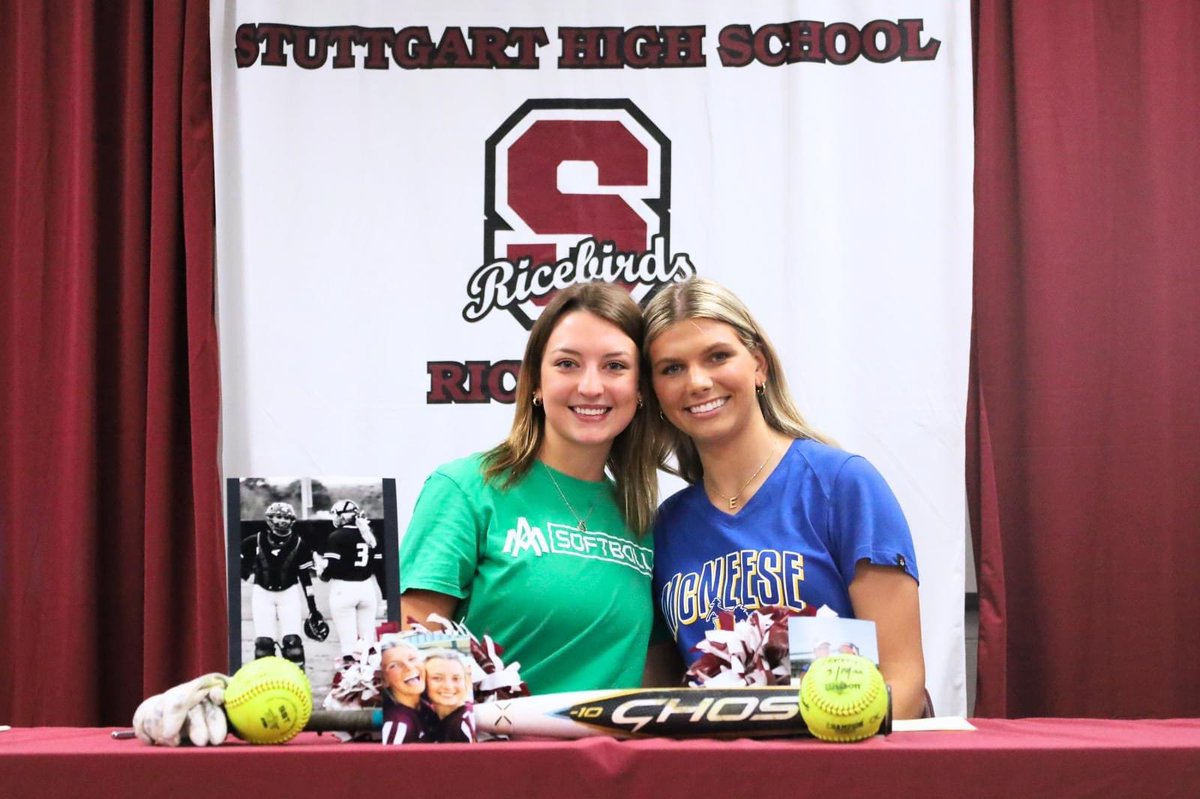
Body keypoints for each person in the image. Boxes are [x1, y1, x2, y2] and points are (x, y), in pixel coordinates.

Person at [641, 277, 928, 719]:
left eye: (718, 356)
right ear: (655, 392)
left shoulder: (843, 486)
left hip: (842, 770)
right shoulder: (665, 527)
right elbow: (662, 701)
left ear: (758, 365)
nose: (697, 382)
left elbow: (903, 684)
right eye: (671, 368)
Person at [399, 282, 662, 695]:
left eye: (615, 366)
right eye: (567, 364)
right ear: (535, 383)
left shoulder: (641, 517)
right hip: (495, 757)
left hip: (613, 758)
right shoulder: (466, 490)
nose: (591, 386)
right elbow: (412, 665)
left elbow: (649, 678)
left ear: (641, 389)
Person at [240, 501, 323, 669]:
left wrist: (313, 608)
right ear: (270, 519)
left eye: (286, 517)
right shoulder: (254, 540)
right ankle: (265, 681)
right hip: (262, 594)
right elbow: (237, 564)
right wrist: (246, 575)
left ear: (292, 520)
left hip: (289, 594)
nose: (282, 520)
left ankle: (296, 680)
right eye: (278, 516)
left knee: (293, 644)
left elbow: (305, 578)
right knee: (263, 644)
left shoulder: (299, 544)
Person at [317, 498, 382, 656]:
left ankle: (351, 678)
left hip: (344, 589)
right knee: (368, 644)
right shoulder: (368, 536)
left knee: (349, 646)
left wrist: (321, 571)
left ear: (341, 516)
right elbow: (378, 566)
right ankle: (370, 677)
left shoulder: (337, 536)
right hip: (367, 589)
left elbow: (330, 569)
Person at [380, 639, 428, 744]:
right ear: (384, 680)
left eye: (412, 659)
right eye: (394, 665)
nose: (409, 667)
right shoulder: (399, 726)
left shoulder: (427, 708)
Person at [423, 650, 474, 742]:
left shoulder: (461, 725)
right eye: (437, 678)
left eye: (456, 678)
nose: (448, 686)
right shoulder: (431, 717)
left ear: (466, 681)